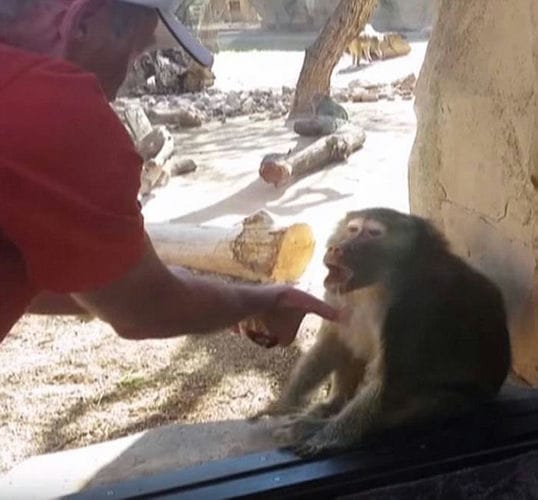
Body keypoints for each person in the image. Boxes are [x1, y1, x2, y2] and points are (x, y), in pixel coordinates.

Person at [0, 0, 338, 348]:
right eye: (134, 53)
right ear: (84, 23)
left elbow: (61, 281)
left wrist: (203, 301)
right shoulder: (57, 110)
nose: (122, 81)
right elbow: (144, 307)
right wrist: (262, 300)